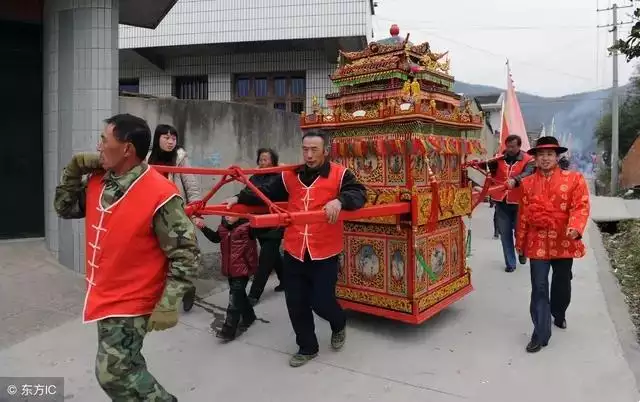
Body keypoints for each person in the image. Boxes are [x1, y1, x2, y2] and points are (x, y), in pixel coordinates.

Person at [54, 113, 200, 401]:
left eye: (103, 140)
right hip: (105, 293)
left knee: (114, 371)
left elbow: (186, 253)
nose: (97, 147)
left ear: (127, 149)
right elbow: (65, 207)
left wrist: (169, 303)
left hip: (134, 299)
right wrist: (72, 172)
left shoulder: (160, 193)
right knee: (125, 367)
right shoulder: (100, 180)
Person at [224, 129, 367, 367]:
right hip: (294, 249)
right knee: (296, 302)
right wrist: (239, 199)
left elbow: (359, 193)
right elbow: (265, 192)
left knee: (322, 302)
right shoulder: (290, 176)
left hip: (325, 251)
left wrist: (339, 200)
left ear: (325, 151)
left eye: (314, 150)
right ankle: (307, 347)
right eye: (305, 150)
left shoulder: (340, 175)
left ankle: (339, 323)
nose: (309, 155)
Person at [515, 136, 590, 353]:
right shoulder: (527, 184)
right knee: (538, 287)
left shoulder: (574, 179)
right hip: (537, 240)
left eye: (550, 154)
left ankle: (559, 312)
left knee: (561, 284)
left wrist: (575, 227)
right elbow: (524, 215)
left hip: (563, 239)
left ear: (557, 157)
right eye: (541, 154)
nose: (545, 158)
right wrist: (520, 242)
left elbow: (580, 206)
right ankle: (540, 332)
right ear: (535, 158)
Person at [147, 124, 203, 312]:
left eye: (173, 138)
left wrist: (195, 213)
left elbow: (192, 186)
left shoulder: (180, 158)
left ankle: (187, 287)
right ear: (157, 139)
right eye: (166, 138)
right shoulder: (148, 159)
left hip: (177, 212)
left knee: (180, 254)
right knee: (157, 256)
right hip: (154, 213)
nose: (171, 142)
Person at [197, 216, 259, 341]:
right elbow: (215, 238)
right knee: (239, 295)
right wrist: (203, 227)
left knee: (234, 300)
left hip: (243, 269)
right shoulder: (223, 228)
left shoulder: (248, 227)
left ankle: (229, 330)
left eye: (232, 214)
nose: (228, 217)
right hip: (230, 269)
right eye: (225, 214)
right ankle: (249, 316)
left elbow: (263, 228)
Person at [479, 135, 535, 272]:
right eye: (508, 146)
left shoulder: (529, 160)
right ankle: (510, 263)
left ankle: (522, 252)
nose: (509, 149)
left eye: (512, 147)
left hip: (520, 203)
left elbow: (528, 174)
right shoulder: (498, 159)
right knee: (505, 234)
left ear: (519, 146)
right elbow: (487, 168)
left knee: (520, 232)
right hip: (501, 201)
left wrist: (515, 180)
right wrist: (479, 163)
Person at [247, 148, 285, 305]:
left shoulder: (278, 177)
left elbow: (263, 193)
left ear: (273, 162)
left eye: (266, 159)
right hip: (260, 224)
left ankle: (254, 295)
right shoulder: (255, 177)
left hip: (274, 226)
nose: (263, 163)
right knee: (273, 256)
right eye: (261, 159)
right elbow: (246, 192)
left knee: (265, 261)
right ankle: (287, 280)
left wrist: (248, 193)